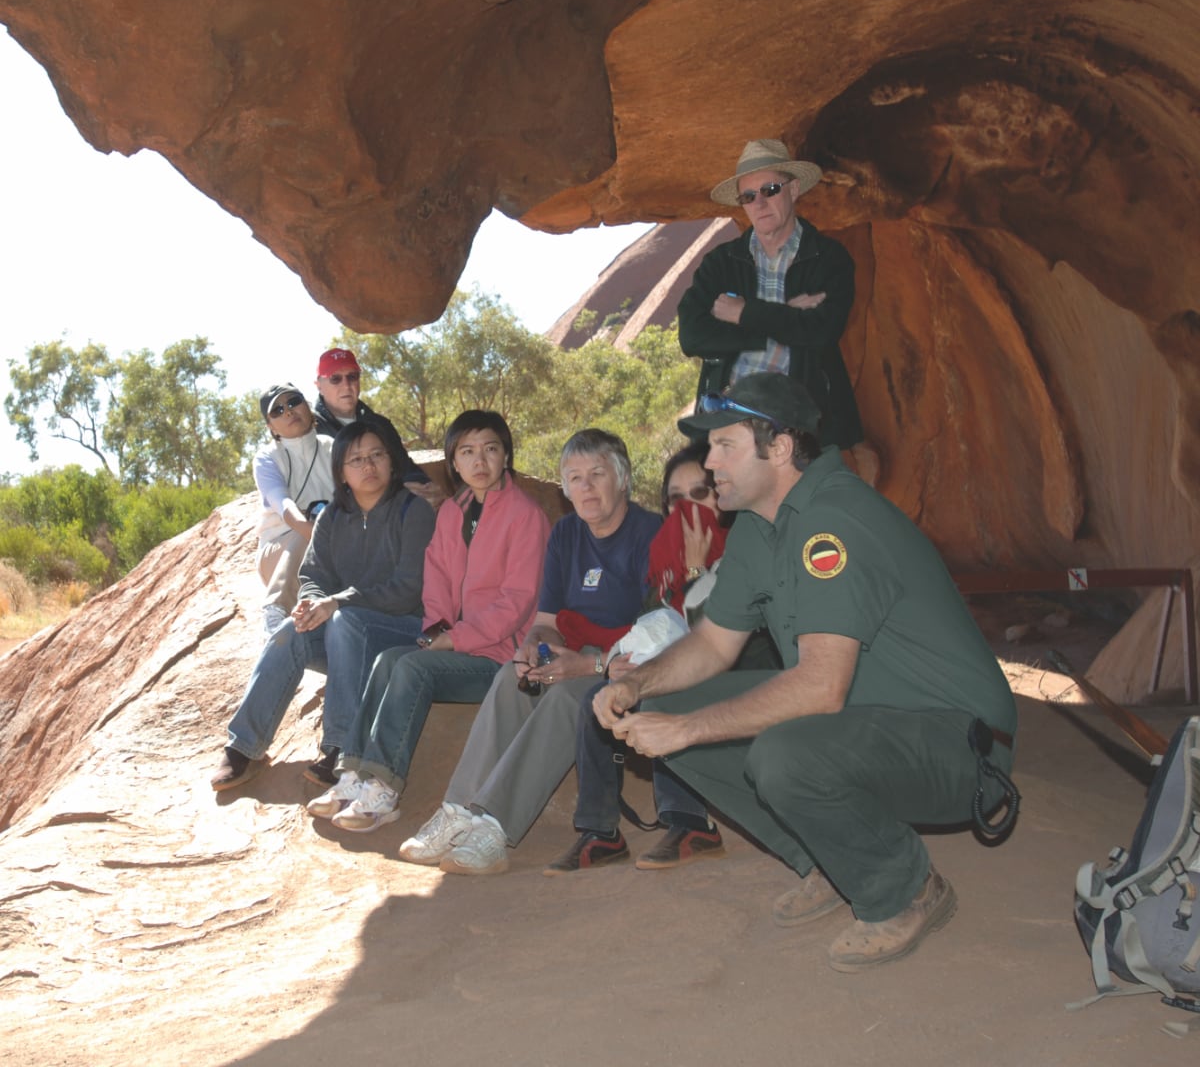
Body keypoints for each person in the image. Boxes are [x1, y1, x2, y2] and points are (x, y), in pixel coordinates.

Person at [594, 373, 1018, 972]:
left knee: (781, 752)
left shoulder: (833, 520)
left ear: (782, 448)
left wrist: (688, 731)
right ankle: (828, 857)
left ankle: (906, 889)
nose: (709, 461)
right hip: (867, 724)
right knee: (671, 711)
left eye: (725, 445)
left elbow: (820, 688)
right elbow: (713, 644)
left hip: (959, 744)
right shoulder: (757, 529)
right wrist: (639, 683)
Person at [399, 428, 660, 875]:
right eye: (574, 477)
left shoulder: (650, 534)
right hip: (576, 653)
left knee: (564, 698)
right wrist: (532, 649)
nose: (586, 487)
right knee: (513, 677)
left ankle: (495, 826)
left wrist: (590, 664)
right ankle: (459, 810)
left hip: (632, 661)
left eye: (597, 474)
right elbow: (546, 620)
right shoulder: (566, 535)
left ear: (623, 479)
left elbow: (661, 633)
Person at [306, 410, 551, 832]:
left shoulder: (525, 515)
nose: (480, 461)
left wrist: (455, 641)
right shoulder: (453, 513)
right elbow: (435, 581)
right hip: (455, 643)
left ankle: (382, 790)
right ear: (453, 463)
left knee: (412, 669)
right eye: (467, 452)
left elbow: (517, 602)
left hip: (500, 656)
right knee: (388, 661)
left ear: (506, 456)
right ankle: (352, 777)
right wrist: (436, 632)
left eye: (491, 449)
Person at [211, 419, 435, 792]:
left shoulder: (414, 512)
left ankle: (339, 747)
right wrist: (311, 602)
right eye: (356, 459)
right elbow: (312, 574)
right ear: (341, 473)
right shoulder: (333, 516)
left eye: (377, 455)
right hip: (346, 638)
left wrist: (337, 603)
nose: (368, 466)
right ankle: (244, 747)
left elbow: (410, 590)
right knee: (290, 632)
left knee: (345, 619)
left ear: (392, 462)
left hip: (405, 631)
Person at [544, 443, 729, 874]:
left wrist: (698, 572)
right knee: (600, 698)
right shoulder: (665, 555)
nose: (689, 510)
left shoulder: (744, 547)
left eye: (700, 495)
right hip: (678, 664)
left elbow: (718, 640)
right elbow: (652, 620)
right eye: (677, 500)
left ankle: (691, 824)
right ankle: (600, 833)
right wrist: (622, 663)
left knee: (663, 695)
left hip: (735, 675)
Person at [677, 138, 864, 454]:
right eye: (748, 196)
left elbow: (822, 330)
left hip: (801, 423)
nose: (759, 203)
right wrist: (779, 316)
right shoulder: (721, 263)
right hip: (728, 414)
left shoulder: (829, 258)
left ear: (793, 190)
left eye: (770, 190)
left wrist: (744, 313)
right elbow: (692, 336)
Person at [311, 347, 443, 507]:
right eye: (335, 378)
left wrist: (424, 487)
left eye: (352, 377)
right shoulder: (311, 431)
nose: (346, 385)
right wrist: (395, 493)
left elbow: (405, 468)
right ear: (318, 385)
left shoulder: (379, 424)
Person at [252, 383, 335, 639]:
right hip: (280, 552)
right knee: (307, 533)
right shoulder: (267, 458)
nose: (288, 411)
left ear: (306, 405)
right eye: (277, 410)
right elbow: (283, 504)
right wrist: (314, 531)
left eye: (293, 402)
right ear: (270, 426)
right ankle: (276, 610)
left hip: (333, 546)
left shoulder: (333, 447)